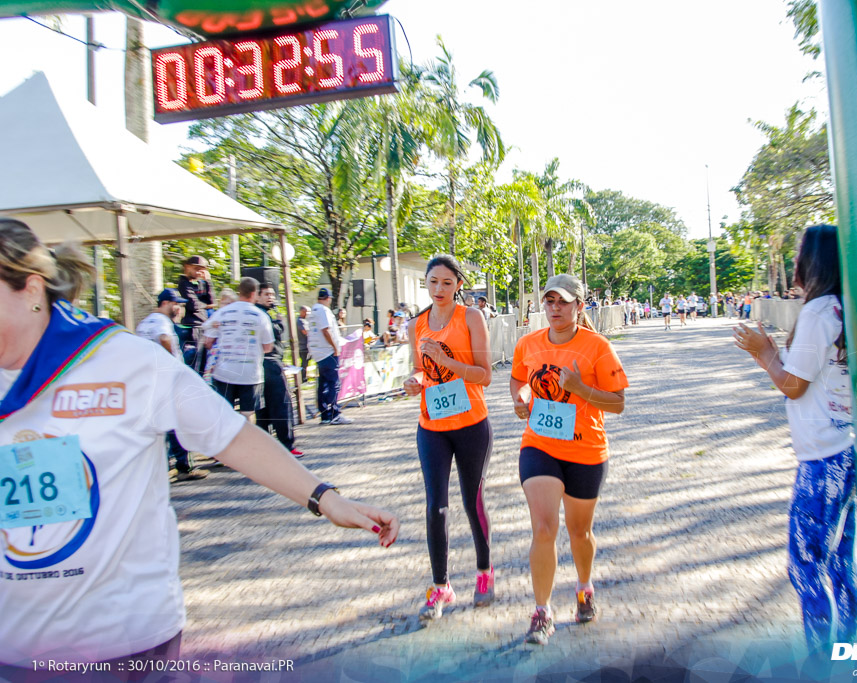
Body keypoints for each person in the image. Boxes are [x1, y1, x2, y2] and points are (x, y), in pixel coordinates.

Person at [0, 219, 399, 669]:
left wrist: (325, 497)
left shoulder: (123, 361)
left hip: (121, 647)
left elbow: (230, 435)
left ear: (32, 289)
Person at [733, 224, 857, 653]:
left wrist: (763, 351)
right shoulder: (840, 309)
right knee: (842, 560)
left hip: (823, 458)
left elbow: (793, 385)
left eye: (799, 254)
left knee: (805, 563)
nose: (793, 263)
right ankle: (847, 642)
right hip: (847, 450)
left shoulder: (817, 312)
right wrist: (768, 353)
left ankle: (821, 657)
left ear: (815, 261)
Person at [510, 274, 629, 646]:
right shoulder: (528, 343)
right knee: (544, 528)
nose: (555, 308)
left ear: (579, 305)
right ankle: (542, 613)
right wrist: (520, 399)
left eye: (563, 302)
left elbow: (619, 403)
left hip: (585, 450)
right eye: (549, 302)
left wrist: (579, 389)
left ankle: (584, 587)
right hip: (539, 446)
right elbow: (518, 379)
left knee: (580, 533)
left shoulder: (597, 346)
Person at [402, 255, 496, 624]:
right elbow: (420, 370)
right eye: (432, 282)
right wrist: (414, 382)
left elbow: (484, 375)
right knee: (435, 506)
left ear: (458, 284)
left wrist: (446, 359)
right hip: (432, 426)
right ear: (425, 283)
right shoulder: (416, 325)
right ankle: (440, 585)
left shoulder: (471, 317)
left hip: (472, 424)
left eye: (446, 282)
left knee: (473, 501)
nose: (439, 289)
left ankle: (484, 572)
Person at [136, 288, 209, 483]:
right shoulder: (161, 322)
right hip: (165, 379)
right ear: (167, 303)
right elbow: (164, 338)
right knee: (175, 422)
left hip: (149, 380)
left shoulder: (144, 323)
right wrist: (173, 362)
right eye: (177, 304)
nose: (179, 309)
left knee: (161, 424)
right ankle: (183, 466)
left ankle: (163, 465)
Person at [201, 277, 274, 422]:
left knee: (224, 412)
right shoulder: (261, 315)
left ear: (239, 292)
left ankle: (226, 443)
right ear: (254, 293)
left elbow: (208, 341)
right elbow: (268, 347)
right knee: (248, 413)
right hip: (250, 373)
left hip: (224, 371)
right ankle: (247, 443)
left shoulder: (222, 312)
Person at [255, 283, 302, 457]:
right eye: (266, 294)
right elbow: (272, 335)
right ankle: (286, 446)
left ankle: (271, 446)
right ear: (257, 296)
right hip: (267, 362)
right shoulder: (260, 314)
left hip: (269, 361)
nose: (270, 297)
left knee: (265, 407)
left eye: (272, 294)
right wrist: (280, 323)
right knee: (280, 405)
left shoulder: (269, 312)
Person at [307, 288, 351, 425]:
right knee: (333, 383)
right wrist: (334, 347)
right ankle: (334, 413)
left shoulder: (313, 310)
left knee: (323, 383)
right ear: (328, 298)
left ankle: (325, 414)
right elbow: (326, 330)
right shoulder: (323, 311)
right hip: (327, 351)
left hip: (318, 351)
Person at [177, 255, 214, 371]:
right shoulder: (183, 283)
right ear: (187, 267)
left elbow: (212, 302)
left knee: (204, 363)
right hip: (191, 327)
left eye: (201, 269)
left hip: (203, 326)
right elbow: (193, 305)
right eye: (196, 269)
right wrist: (206, 305)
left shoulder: (201, 284)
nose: (199, 272)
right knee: (195, 362)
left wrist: (208, 282)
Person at [296, 305, 311, 382]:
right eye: (306, 312)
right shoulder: (300, 321)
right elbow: (305, 332)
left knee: (307, 362)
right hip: (303, 346)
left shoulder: (305, 320)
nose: (308, 313)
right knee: (304, 363)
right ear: (302, 311)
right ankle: (303, 378)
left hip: (308, 345)